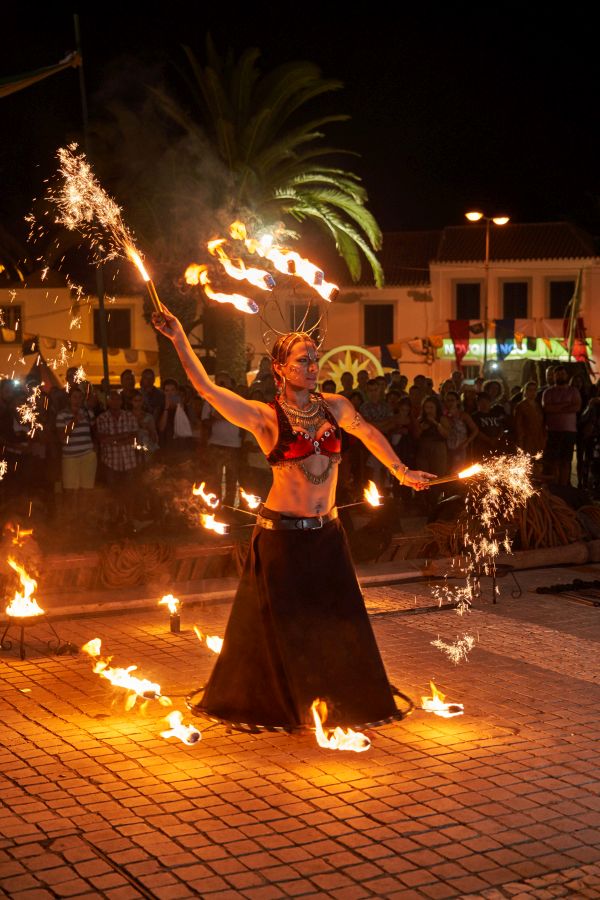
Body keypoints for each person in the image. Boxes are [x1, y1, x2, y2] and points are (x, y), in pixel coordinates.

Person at [153, 307, 434, 732]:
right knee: (286, 631)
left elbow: (370, 433)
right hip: (282, 537)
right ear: (279, 369)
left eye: (315, 358)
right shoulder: (265, 417)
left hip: (328, 535)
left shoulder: (335, 407)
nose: (312, 366)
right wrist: (178, 338)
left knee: (337, 624)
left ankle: (337, 701)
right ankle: (289, 705)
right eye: (303, 360)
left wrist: (401, 470)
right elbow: (208, 391)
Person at [55, 385, 97, 526]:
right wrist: (75, 421)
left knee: (86, 489)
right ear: (69, 398)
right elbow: (62, 437)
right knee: (70, 491)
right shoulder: (62, 415)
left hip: (87, 454)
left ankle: (84, 519)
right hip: (70, 456)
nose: (77, 400)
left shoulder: (88, 413)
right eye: (74, 397)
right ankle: (71, 520)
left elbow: (94, 430)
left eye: (80, 397)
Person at [541, 365, 581, 485]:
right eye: (558, 374)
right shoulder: (548, 392)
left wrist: (557, 407)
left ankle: (563, 485)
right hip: (553, 431)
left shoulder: (573, 391)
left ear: (566, 376)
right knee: (554, 460)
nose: (560, 376)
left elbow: (577, 407)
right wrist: (566, 406)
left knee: (566, 460)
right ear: (553, 376)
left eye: (562, 374)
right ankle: (554, 485)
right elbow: (547, 408)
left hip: (569, 431)